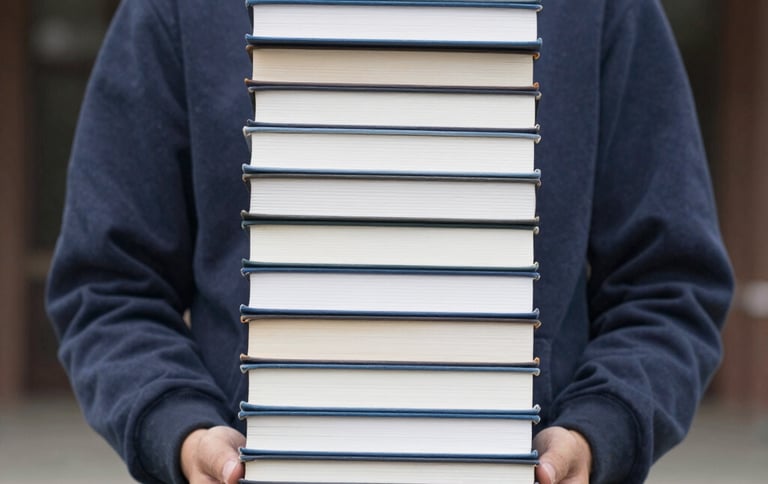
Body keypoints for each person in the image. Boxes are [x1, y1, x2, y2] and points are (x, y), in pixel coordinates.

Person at [46, 0, 733, 483]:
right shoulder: (180, 10)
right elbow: (108, 284)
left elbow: (670, 283)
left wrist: (601, 428)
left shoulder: (602, 10)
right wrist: (177, 426)